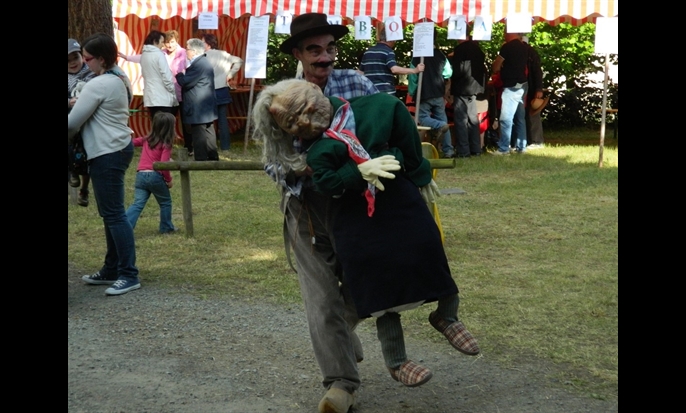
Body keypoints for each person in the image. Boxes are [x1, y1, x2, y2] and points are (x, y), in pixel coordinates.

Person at [253, 78, 480, 390]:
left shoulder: (371, 102)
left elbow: (400, 132)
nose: (303, 120)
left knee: (427, 253)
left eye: (302, 108)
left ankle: (446, 316)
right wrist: (354, 171)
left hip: (392, 201)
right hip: (344, 214)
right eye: (291, 122)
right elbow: (317, 178)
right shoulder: (318, 149)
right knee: (372, 288)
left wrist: (419, 173)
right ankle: (386, 364)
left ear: (316, 90)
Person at [273, 12, 378, 413]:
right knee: (321, 298)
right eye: (314, 49)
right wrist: (307, 168)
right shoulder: (281, 97)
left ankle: (342, 333)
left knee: (363, 286)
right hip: (306, 208)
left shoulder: (358, 85)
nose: (324, 57)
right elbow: (272, 162)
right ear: (298, 54)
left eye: (330, 48)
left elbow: (383, 130)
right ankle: (341, 384)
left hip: (357, 204)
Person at [68, 32, 140, 296]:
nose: (84, 64)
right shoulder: (119, 76)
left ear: (101, 58)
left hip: (107, 151)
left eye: (87, 59)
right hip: (116, 148)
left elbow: (71, 124)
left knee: (114, 215)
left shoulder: (99, 84)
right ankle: (112, 268)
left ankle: (128, 274)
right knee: (110, 213)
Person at [125, 112, 177, 234]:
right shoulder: (166, 143)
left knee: (138, 203)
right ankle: (166, 227)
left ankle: (125, 226)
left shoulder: (146, 139)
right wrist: (168, 180)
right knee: (165, 202)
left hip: (140, 175)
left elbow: (130, 143)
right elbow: (163, 165)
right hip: (155, 175)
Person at [408, 31, 454, 158]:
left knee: (422, 118)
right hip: (438, 93)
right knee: (443, 119)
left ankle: (439, 126)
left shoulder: (418, 56)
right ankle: (448, 150)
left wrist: (412, 92)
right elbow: (448, 72)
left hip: (423, 94)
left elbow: (413, 77)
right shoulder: (441, 55)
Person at [176, 38, 218, 161]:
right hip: (205, 103)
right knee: (209, 130)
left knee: (199, 132)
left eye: (187, 49)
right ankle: (212, 156)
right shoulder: (204, 61)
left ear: (194, 51)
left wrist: (179, 74)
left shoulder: (198, 65)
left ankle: (201, 159)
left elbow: (185, 82)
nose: (186, 52)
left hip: (198, 104)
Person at [200, 33, 244, 152]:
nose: (201, 44)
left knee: (207, 120)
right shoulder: (224, 54)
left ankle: (209, 146)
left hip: (207, 90)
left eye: (202, 42)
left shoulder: (203, 56)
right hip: (222, 89)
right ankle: (225, 147)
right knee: (222, 119)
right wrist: (230, 75)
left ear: (208, 44)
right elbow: (239, 61)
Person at [491, 32, 531, 155]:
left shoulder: (507, 47)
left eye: (505, 31)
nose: (503, 34)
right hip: (523, 84)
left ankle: (504, 148)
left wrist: (496, 66)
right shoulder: (524, 47)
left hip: (511, 86)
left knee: (506, 118)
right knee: (520, 118)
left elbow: (496, 66)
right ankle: (521, 147)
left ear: (510, 32)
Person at [450, 32, 488, 158]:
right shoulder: (477, 49)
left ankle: (463, 150)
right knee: (473, 118)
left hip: (462, 87)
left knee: (461, 119)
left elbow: (458, 71)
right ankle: (476, 148)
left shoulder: (460, 49)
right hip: (475, 88)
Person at [68, 38, 96, 207]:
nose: (73, 63)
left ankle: (84, 189)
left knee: (88, 157)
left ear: (82, 57)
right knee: (71, 149)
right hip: (72, 121)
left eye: (75, 58)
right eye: (68, 60)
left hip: (89, 121)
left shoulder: (91, 72)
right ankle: (72, 172)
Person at [360, 26, 424, 96]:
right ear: (390, 39)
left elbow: (361, 72)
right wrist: (414, 70)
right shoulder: (388, 51)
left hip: (370, 93)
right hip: (385, 94)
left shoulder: (368, 52)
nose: (395, 42)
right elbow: (394, 69)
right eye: (394, 39)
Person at [139, 30, 178, 119]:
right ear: (155, 41)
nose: (163, 45)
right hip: (163, 98)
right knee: (165, 124)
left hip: (150, 97)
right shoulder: (159, 54)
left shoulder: (144, 55)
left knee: (155, 123)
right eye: (162, 42)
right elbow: (167, 76)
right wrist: (172, 91)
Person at [522, 36, 546, 150]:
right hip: (529, 87)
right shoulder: (531, 53)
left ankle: (536, 140)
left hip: (530, 88)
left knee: (533, 113)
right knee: (530, 114)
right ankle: (532, 140)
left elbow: (537, 72)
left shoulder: (530, 54)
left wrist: (538, 89)